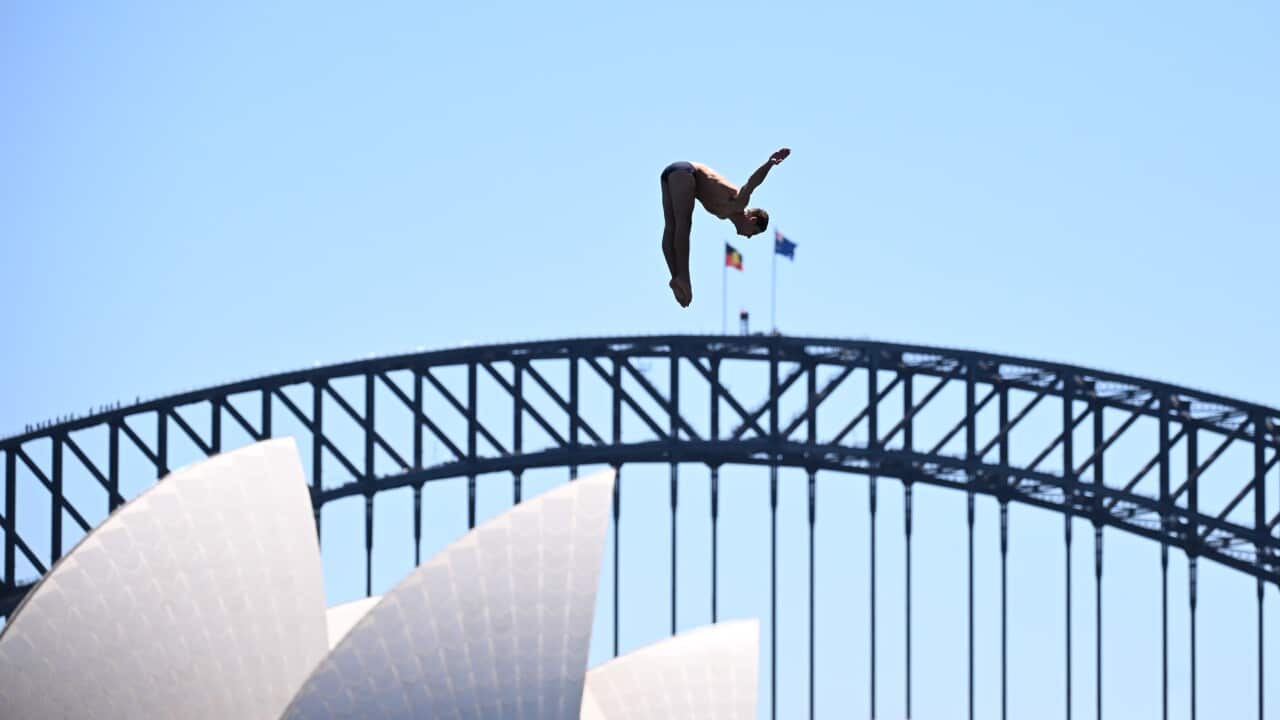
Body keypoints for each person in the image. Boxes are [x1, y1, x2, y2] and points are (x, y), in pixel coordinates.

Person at [659, 148, 790, 307]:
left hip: (672, 174)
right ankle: (684, 278)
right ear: (752, 219)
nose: (748, 237)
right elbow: (752, 183)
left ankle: (676, 276)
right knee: (683, 223)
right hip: (686, 172)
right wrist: (770, 163)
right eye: (753, 233)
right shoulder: (739, 203)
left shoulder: (724, 214)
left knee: (672, 226)